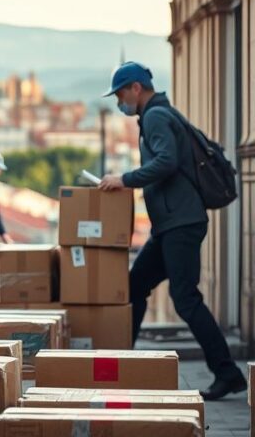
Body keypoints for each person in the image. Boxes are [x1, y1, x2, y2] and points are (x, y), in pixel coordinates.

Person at [98, 61, 247, 400]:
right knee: (135, 286)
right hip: (170, 224)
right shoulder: (157, 114)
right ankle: (121, 362)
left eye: (121, 93)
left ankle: (228, 373)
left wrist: (125, 179)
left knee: (185, 298)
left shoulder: (156, 117)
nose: (119, 101)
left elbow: (165, 162)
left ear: (136, 88)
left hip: (181, 223)